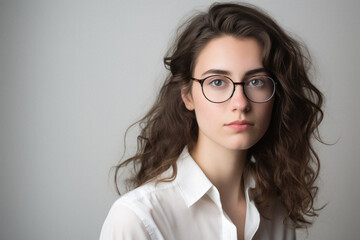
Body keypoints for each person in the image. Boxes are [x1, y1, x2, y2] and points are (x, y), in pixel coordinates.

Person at [100, 2, 324, 240]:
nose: (240, 102)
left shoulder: (277, 209)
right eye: (217, 82)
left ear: (277, 93)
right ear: (187, 95)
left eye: (257, 81)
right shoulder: (139, 219)